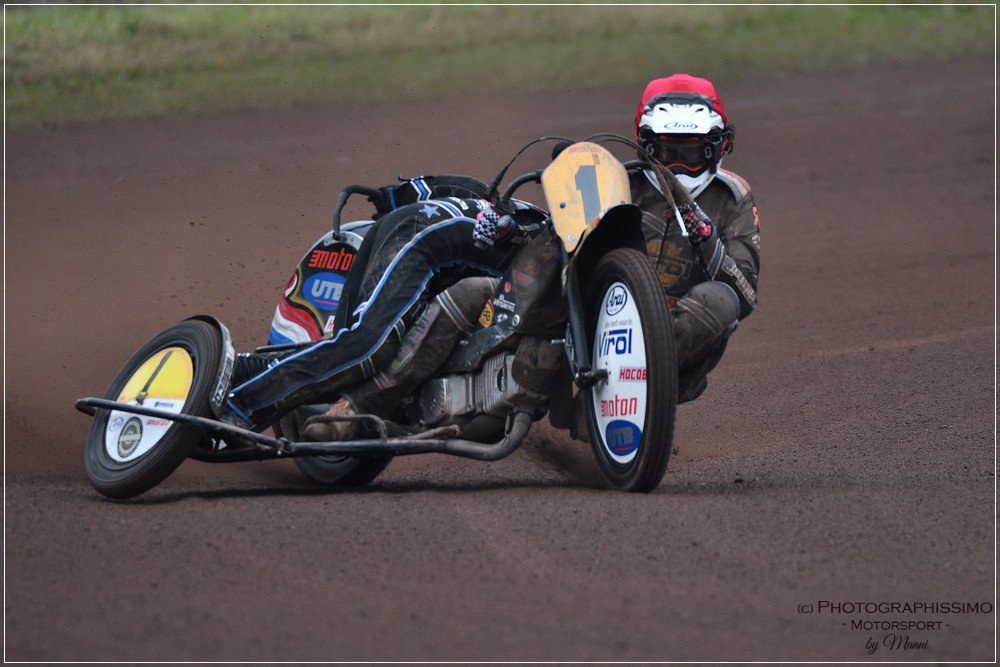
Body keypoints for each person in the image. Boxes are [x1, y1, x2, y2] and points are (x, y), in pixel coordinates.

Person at [221, 190, 534, 438]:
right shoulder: (544, 229)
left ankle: (245, 368)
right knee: (370, 346)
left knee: (368, 353)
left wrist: (395, 195)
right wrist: (393, 196)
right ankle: (242, 405)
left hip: (435, 258)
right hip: (416, 238)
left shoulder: (544, 236)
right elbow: (446, 191)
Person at [631, 73, 761, 404]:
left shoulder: (732, 197)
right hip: (608, 313)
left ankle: (639, 382)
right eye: (668, 152)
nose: (678, 168)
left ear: (719, 147)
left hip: (676, 343)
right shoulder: (617, 182)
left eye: (690, 155)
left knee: (721, 299)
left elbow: (745, 296)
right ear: (645, 146)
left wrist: (708, 239)